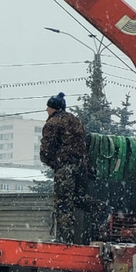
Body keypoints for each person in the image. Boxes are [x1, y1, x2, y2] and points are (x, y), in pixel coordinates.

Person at [39, 92, 93, 242]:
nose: (46, 110)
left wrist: (55, 164)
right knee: (79, 199)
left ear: (54, 108)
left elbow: (46, 150)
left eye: (48, 107)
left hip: (65, 169)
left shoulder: (52, 123)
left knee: (63, 204)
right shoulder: (76, 120)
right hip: (81, 168)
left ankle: (65, 240)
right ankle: (100, 211)